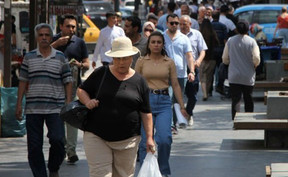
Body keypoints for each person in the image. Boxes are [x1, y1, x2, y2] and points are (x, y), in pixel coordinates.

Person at [77, 37, 155, 177]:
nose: (121, 62)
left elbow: (146, 112)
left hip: (127, 140)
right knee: (101, 175)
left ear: (131, 58)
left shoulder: (139, 81)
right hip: (96, 135)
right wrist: (88, 101)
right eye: (117, 58)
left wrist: (149, 138)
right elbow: (81, 90)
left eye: (125, 58)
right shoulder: (101, 73)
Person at [16, 23, 73, 177]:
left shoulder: (60, 57)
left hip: (55, 107)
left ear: (51, 37)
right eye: (41, 35)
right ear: (36, 37)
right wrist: (19, 104)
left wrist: (68, 102)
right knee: (34, 146)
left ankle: (53, 167)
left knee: (57, 140)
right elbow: (22, 81)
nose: (44, 38)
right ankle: (40, 174)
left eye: (47, 35)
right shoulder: (29, 57)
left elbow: (68, 81)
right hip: (33, 108)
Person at [135, 31, 188, 177]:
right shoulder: (141, 61)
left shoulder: (169, 62)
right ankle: (145, 172)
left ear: (163, 44)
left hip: (164, 101)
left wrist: (182, 106)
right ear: (149, 45)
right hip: (146, 102)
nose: (156, 45)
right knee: (145, 140)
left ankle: (163, 172)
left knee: (165, 139)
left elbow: (176, 85)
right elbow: (135, 84)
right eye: (153, 42)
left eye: (159, 42)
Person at [51, 14, 90, 164]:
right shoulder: (53, 40)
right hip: (55, 87)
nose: (71, 29)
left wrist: (79, 65)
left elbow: (87, 63)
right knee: (58, 119)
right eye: (68, 26)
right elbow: (41, 53)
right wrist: (56, 44)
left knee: (72, 118)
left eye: (73, 26)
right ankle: (60, 148)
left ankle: (71, 151)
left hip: (74, 86)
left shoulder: (79, 43)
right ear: (61, 26)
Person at [163, 14, 195, 133]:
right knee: (169, 98)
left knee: (178, 100)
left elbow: (189, 56)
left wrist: (191, 71)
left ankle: (174, 124)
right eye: (172, 23)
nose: (175, 25)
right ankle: (171, 125)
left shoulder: (184, 38)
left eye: (176, 23)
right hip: (165, 74)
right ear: (167, 24)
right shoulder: (162, 37)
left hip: (181, 74)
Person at [222, 21, 260, 120]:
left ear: (237, 29)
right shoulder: (252, 41)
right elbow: (256, 57)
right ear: (248, 29)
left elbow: (225, 59)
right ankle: (249, 118)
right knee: (248, 98)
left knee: (236, 99)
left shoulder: (230, 41)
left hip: (234, 75)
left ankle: (236, 119)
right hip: (248, 75)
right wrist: (255, 64)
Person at [180, 15, 207, 126]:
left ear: (190, 24)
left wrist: (199, 61)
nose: (182, 26)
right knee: (178, 95)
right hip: (179, 68)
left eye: (184, 24)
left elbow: (203, 50)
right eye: (180, 24)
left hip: (192, 68)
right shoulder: (176, 35)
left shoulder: (197, 34)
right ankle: (178, 118)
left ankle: (188, 113)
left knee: (193, 96)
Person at [199, 19, 219, 101]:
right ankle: (207, 91)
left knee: (202, 77)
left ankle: (204, 93)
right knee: (209, 77)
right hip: (212, 58)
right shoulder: (213, 35)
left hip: (202, 58)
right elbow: (217, 44)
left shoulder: (200, 35)